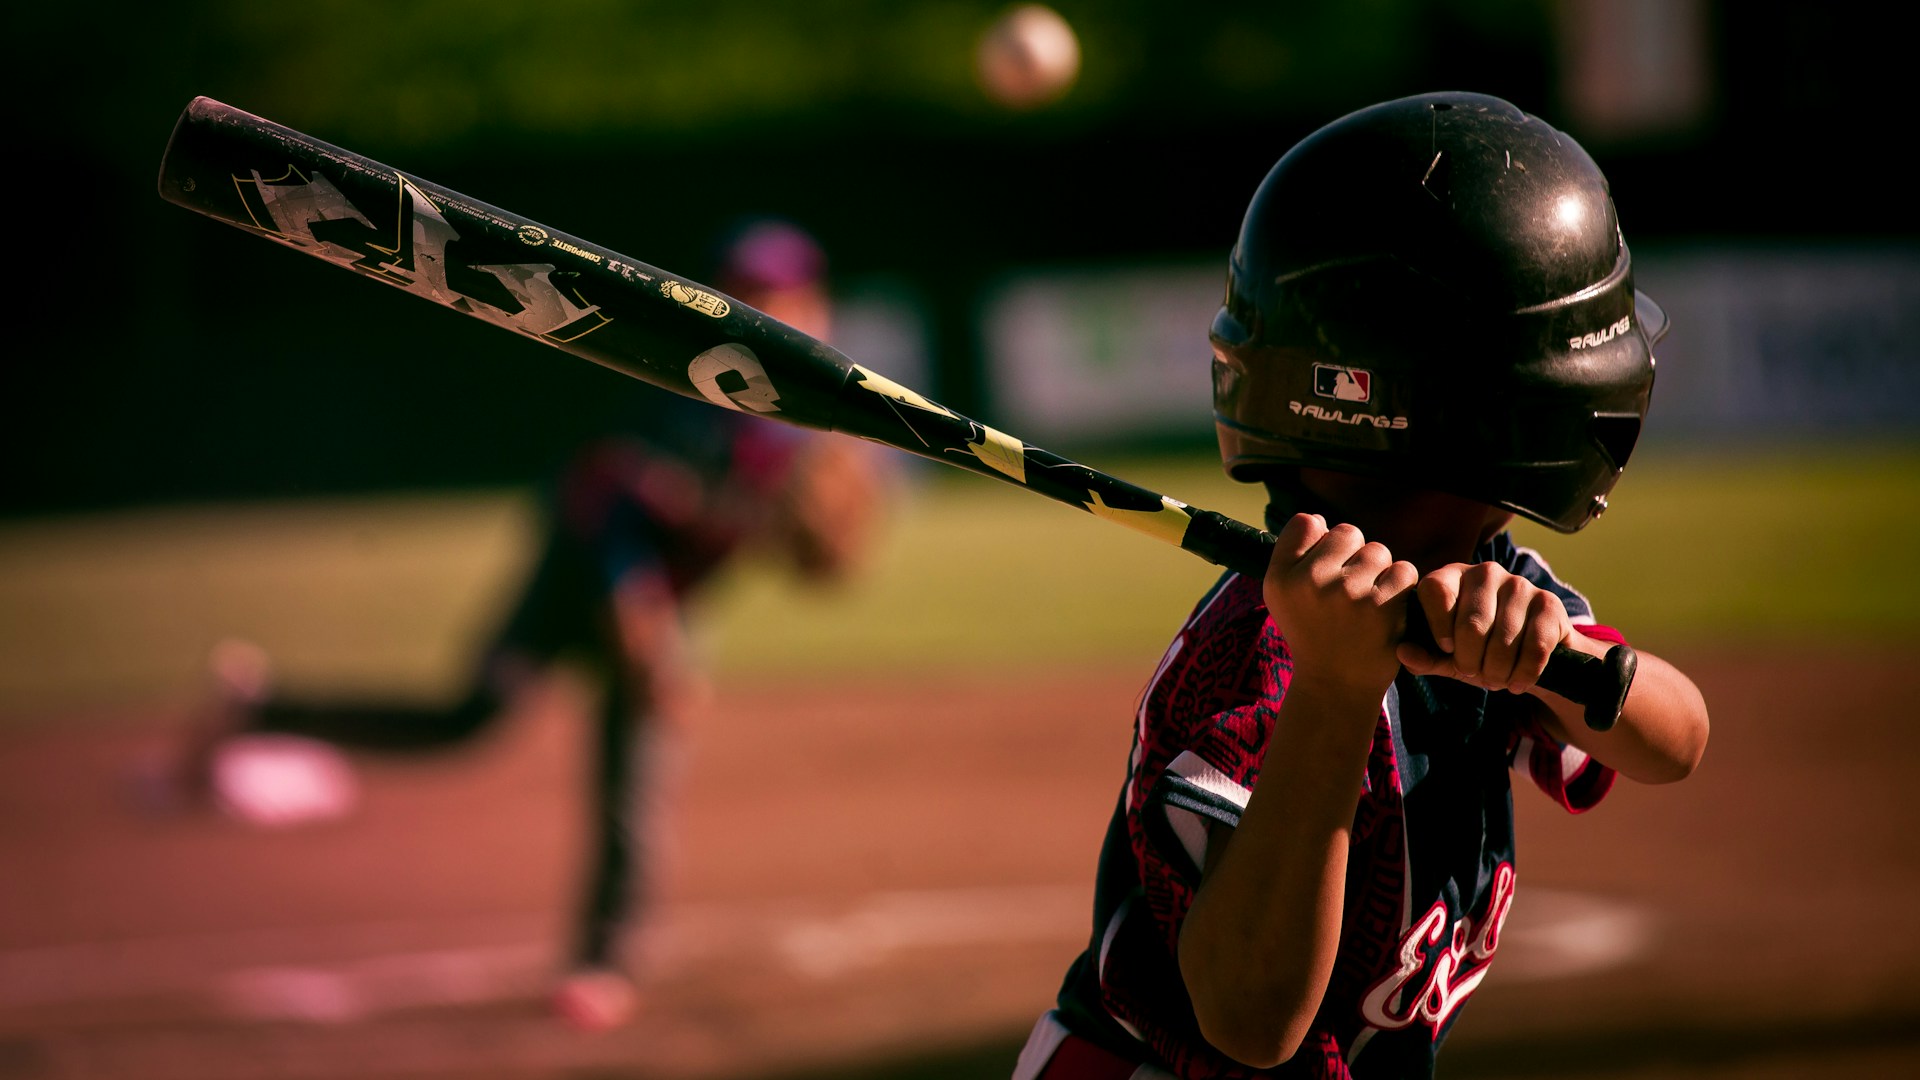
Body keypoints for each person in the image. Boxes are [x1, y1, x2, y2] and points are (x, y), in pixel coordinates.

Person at [1011, 93, 1710, 1079]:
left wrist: (1552, 661)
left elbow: (1676, 741)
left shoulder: (1493, 584)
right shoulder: (1244, 672)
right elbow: (1251, 1023)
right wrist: (1336, 691)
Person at [185, 218, 891, 1031]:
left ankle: (603, 961)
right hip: (580, 573)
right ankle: (268, 709)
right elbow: (609, 492)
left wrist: (814, 539)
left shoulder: (811, 418)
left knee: (634, 775)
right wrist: (637, 607)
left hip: (666, 598)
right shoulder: (685, 386)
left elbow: (803, 547)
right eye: (755, 290)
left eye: (791, 292)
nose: (776, 305)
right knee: (468, 717)